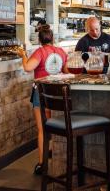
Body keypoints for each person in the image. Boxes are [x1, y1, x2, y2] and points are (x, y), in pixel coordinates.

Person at [15, 25, 68, 175]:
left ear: (39, 39)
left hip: (42, 93)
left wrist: (23, 55)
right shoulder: (61, 52)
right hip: (58, 94)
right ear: (52, 38)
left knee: (42, 130)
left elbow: (27, 67)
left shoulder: (40, 52)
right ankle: (57, 156)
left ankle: (42, 164)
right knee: (57, 127)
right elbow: (67, 71)